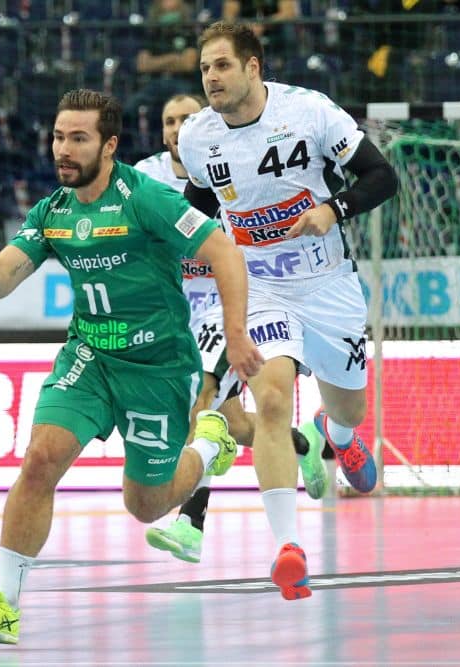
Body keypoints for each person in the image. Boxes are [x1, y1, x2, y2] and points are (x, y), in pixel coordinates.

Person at [0, 88, 264, 645]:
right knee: (41, 460)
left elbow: (225, 252)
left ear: (109, 144)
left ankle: (210, 443)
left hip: (159, 368)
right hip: (90, 357)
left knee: (145, 506)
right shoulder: (53, 212)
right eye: (57, 137)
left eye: (77, 139)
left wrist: (236, 334)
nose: (62, 151)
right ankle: (4, 607)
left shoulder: (146, 199)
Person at [178, 21, 398, 599]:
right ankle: (288, 547)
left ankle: (337, 432)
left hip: (328, 286)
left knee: (347, 403)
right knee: (272, 396)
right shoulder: (200, 137)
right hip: (262, 289)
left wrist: (334, 209)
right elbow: (198, 206)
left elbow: (382, 176)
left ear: (253, 67)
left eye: (222, 65)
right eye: (204, 68)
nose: (211, 78)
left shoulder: (310, 112)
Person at [133, 92, 328, 564]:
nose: (177, 128)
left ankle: (189, 525)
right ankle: (305, 441)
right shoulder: (144, 176)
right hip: (180, 315)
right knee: (237, 424)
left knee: (200, 403)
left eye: (186, 119)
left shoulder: (230, 166)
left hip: (232, 307)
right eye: (168, 120)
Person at [125, 0, 200, 119]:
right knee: (130, 107)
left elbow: (188, 64)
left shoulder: (189, 31)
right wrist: (173, 58)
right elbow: (142, 65)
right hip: (155, 83)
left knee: (189, 106)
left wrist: (155, 62)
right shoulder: (153, 32)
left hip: (181, 82)